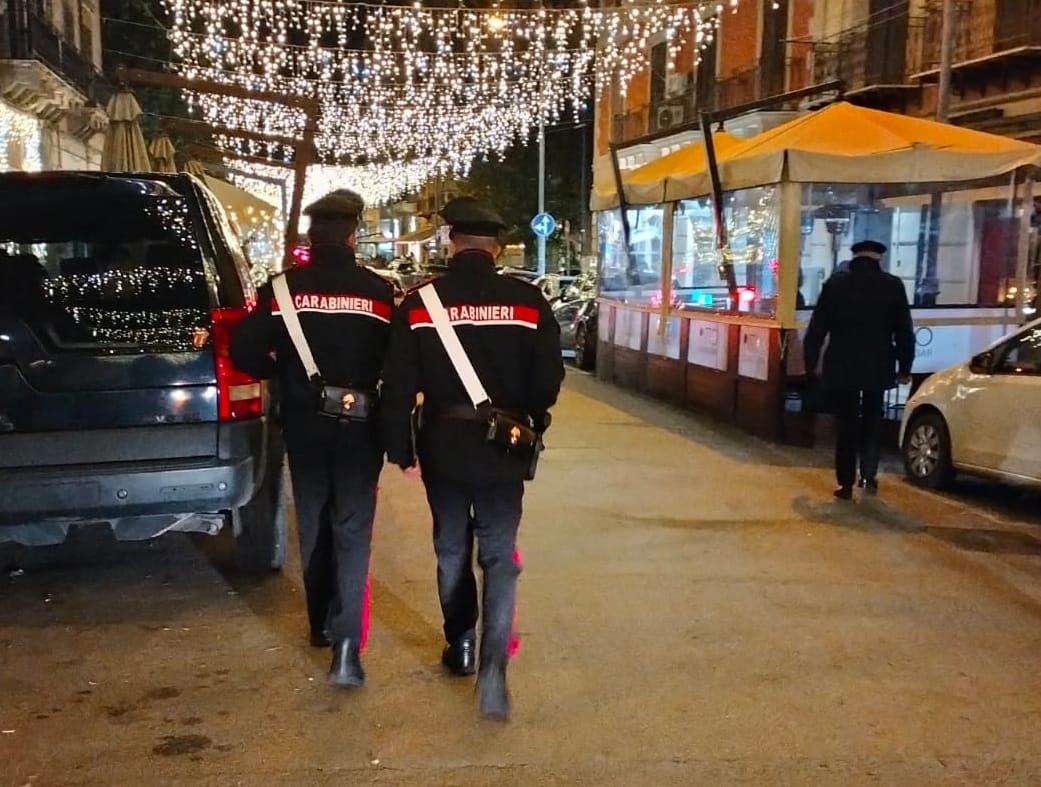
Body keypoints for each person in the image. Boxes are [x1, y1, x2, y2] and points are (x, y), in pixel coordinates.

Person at [380, 196, 564, 721]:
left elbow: (398, 385)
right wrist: (528, 417)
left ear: (451, 243)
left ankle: (459, 642)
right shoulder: (528, 302)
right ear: (499, 247)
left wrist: (400, 449)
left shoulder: (419, 305)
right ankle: (493, 668)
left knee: (451, 545)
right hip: (505, 445)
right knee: (501, 554)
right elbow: (548, 383)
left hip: (445, 444)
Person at [230, 189, 395, 687]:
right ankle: (348, 646)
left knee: (314, 521)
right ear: (352, 236)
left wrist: (279, 371)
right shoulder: (380, 293)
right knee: (352, 527)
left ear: (309, 236)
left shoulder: (280, 289)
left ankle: (319, 624)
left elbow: (244, 350)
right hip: (361, 427)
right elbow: (397, 361)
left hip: (304, 424)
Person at [804, 239, 915, 500]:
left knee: (846, 423)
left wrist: (811, 365)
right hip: (879, 366)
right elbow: (904, 331)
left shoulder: (836, 284)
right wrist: (905, 367)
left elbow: (817, 329)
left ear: (854, 258)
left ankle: (845, 482)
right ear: (879, 258)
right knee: (873, 420)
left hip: (842, 366)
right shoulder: (893, 286)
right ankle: (868, 474)